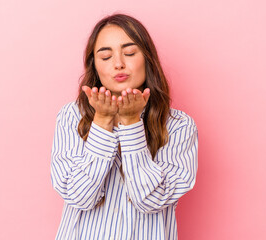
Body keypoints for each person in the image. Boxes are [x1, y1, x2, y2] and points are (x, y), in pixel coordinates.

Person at [51, 13, 198, 240]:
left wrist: (131, 124)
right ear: (95, 66)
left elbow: (149, 199)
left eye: (129, 53)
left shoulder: (179, 126)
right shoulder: (72, 117)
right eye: (106, 56)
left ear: (147, 58)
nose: (119, 63)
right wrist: (101, 122)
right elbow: (78, 196)